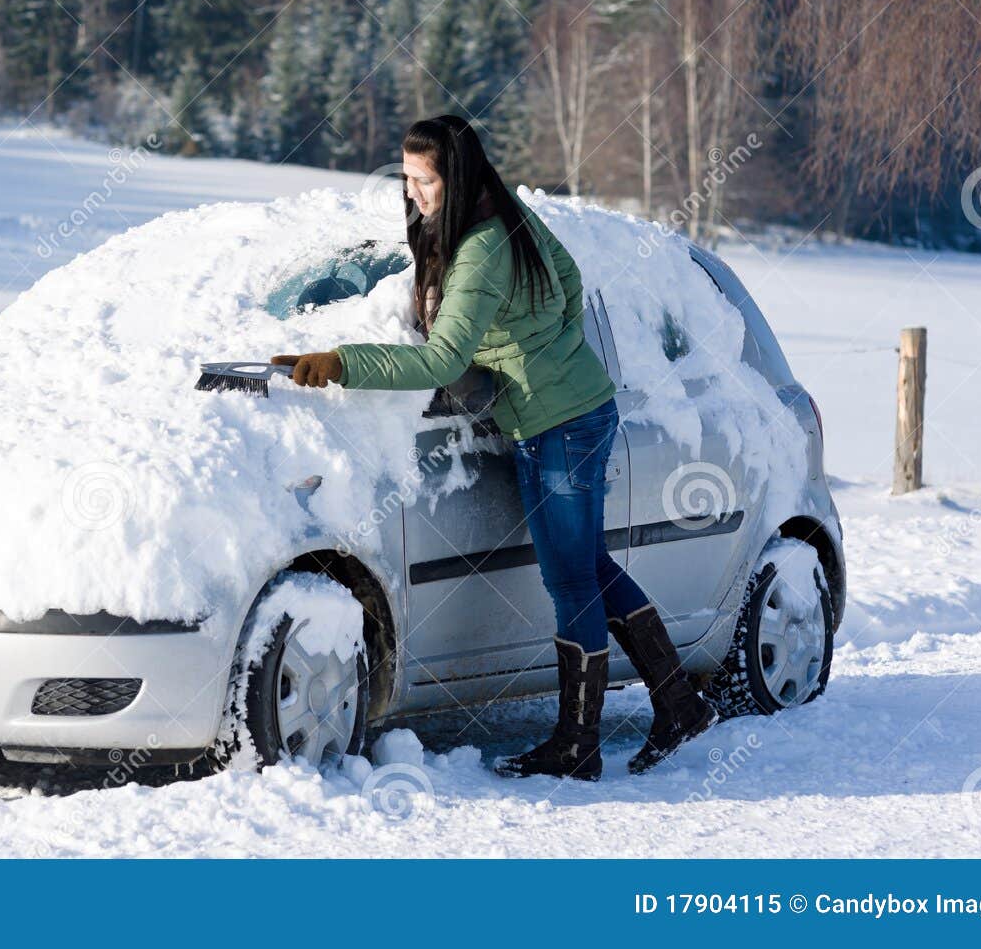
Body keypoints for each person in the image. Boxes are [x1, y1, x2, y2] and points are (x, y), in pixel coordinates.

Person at [272, 115, 714, 780]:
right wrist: (543, 349)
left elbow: (441, 358)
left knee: (572, 581)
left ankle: (579, 743)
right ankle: (678, 702)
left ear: (457, 175)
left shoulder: (479, 249)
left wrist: (340, 363)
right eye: (408, 176)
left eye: (426, 179)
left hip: (562, 424)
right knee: (589, 566)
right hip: (570, 412)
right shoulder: (503, 210)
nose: (414, 190)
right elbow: (568, 283)